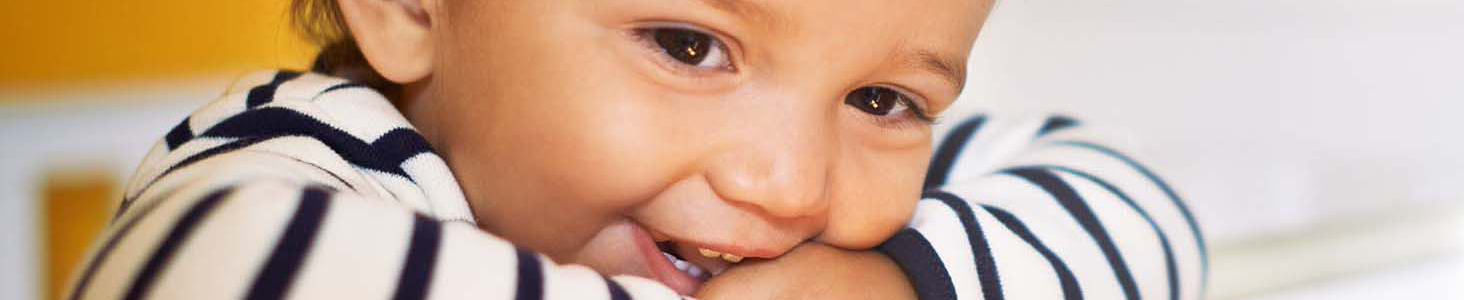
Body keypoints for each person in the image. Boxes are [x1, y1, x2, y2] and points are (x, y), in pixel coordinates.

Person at [63, 0, 1205, 299]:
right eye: (686, 44)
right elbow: (201, 268)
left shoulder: (843, 229)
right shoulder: (299, 155)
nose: (788, 182)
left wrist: (892, 286)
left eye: (880, 98)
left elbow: (1137, 204)